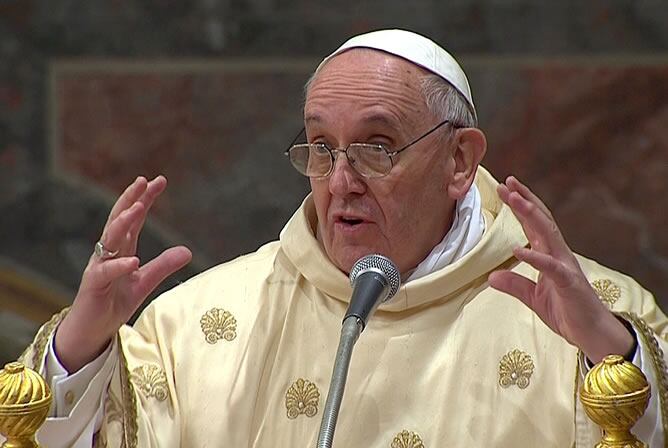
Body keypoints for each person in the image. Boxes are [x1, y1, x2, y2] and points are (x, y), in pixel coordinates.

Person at [11, 29, 668, 447]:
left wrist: (614, 357)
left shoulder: (591, 314)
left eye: (377, 147)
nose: (341, 180)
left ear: (460, 161)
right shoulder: (198, 328)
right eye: (321, 148)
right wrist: (83, 347)